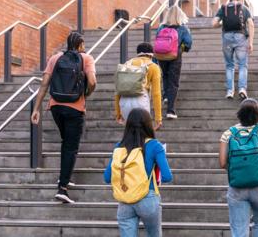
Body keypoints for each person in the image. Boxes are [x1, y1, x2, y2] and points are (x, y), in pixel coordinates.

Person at [31, 32, 97, 203]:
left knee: (66, 142)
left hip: (56, 107)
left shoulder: (55, 58)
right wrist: (86, 94)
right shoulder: (86, 59)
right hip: (75, 108)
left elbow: (44, 83)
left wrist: (36, 109)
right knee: (70, 146)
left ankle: (64, 177)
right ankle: (63, 189)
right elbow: (92, 82)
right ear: (80, 45)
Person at [104, 108, 172, 237]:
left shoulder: (119, 147)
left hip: (125, 201)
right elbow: (167, 176)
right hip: (148, 198)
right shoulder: (154, 145)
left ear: (128, 125)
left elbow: (107, 178)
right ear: (148, 124)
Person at [219, 98, 258, 237]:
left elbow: (223, 163)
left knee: (239, 228)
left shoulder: (228, 134)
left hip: (237, 186)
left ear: (239, 113)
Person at [212, 0, 254, 100]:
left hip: (227, 38)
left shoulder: (223, 8)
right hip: (240, 37)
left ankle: (230, 91)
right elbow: (251, 24)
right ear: (239, 0)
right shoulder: (244, 8)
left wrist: (223, 23)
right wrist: (250, 42)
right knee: (242, 65)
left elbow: (214, 24)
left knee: (229, 65)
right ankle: (242, 89)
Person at [114, 42, 163, 130]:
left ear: (138, 54)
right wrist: (158, 118)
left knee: (129, 133)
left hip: (124, 101)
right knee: (142, 133)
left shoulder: (126, 64)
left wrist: (118, 113)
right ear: (151, 55)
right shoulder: (153, 67)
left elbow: (118, 90)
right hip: (141, 101)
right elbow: (156, 93)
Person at [155, 6, 192, 120]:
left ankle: (166, 95)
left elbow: (157, 40)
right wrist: (182, 49)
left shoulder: (161, 27)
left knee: (165, 76)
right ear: (180, 16)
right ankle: (170, 110)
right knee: (174, 82)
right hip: (175, 56)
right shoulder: (183, 28)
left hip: (161, 56)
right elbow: (188, 43)